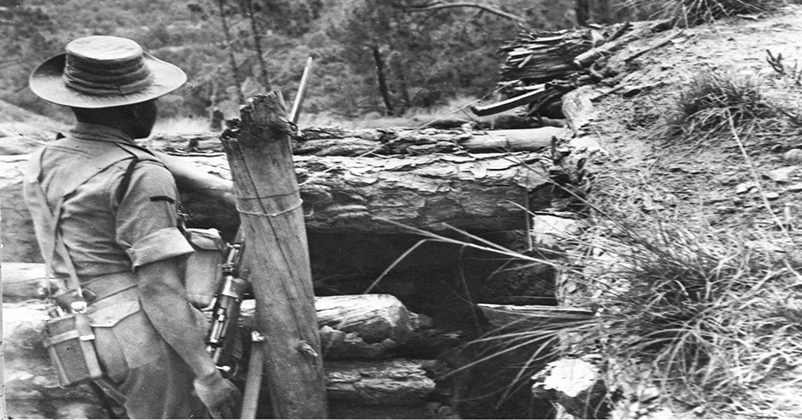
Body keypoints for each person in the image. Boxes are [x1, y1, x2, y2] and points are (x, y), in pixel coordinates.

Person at [23, 35, 240, 419]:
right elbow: (159, 288)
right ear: (137, 108)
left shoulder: (44, 158)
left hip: (82, 329)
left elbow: (114, 153)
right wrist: (207, 374)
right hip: (142, 338)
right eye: (151, 99)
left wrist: (215, 186)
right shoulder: (141, 176)